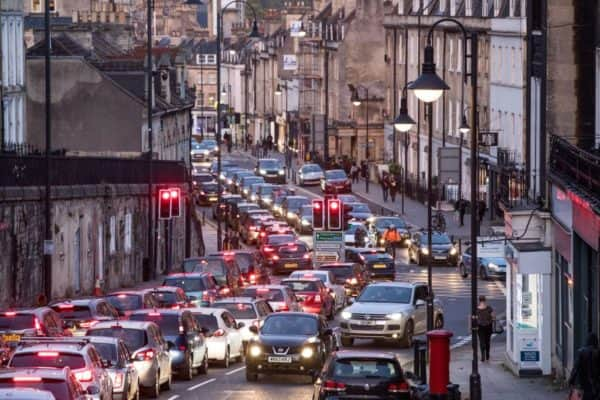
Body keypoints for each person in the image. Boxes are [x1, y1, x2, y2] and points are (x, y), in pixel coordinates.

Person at [568, 333, 600, 400]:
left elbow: (575, 369)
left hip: (584, 386)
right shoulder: (597, 353)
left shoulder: (581, 352)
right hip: (596, 386)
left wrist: (571, 381)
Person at [476, 295, 495, 362]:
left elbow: (474, 318)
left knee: (481, 341)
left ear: (479, 300)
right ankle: (487, 354)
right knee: (487, 341)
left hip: (480, 326)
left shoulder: (476, 309)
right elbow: (493, 316)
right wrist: (491, 320)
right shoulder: (489, 308)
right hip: (488, 326)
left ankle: (482, 356)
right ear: (485, 300)